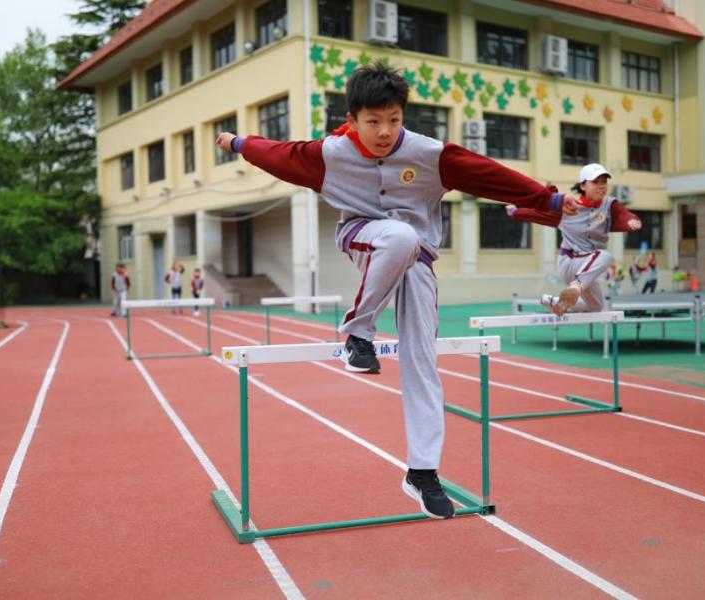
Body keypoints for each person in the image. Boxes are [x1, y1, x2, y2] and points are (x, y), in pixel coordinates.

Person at [215, 62, 579, 519]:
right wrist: (238, 143)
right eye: (373, 122)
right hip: (364, 238)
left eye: (394, 120)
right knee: (399, 235)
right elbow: (278, 153)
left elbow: (487, 174)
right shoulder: (330, 153)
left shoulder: (429, 154)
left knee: (423, 358)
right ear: (353, 121)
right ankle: (357, 333)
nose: (385, 132)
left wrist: (544, 198)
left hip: (419, 261)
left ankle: (421, 473)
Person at [506, 163, 642, 315]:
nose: (601, 186)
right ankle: (576, 286)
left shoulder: (609, 205)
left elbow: (622, 214)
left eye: (604, 182)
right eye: (595, 182)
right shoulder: (568, 207)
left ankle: (555, 301)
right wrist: (516, 211)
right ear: (583, 185)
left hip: (588, 267)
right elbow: (541, 214)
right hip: (570, 263)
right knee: (606, 255)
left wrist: (630, 220)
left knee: (597, 306)